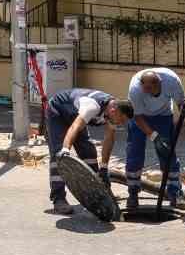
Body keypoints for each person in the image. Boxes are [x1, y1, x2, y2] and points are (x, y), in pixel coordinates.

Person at [43, 87, 126, 215]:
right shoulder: (91, 107)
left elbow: (109, 139)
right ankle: (58, 199)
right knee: (58, 155)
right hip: (58, 111)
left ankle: (97, 193)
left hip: (75, 115)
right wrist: (65, 150)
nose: (121, 123)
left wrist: (104, 167)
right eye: (121, 120)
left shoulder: (113, 111)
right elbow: (75, 127)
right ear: (114, 111)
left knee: (89, 152)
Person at [123, 66, 185, 208]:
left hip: (163, 115)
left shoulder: (172, 81)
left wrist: (184, 110)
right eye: (144, 89)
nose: (146, 93)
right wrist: (154, 137)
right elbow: (137, 117)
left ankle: (175, 193)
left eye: (149, 90)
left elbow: (181, 103)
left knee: (167, 153)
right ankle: (133, 193)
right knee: (134, 152)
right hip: (140, 117)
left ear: (159, 84)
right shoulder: (135, 89)